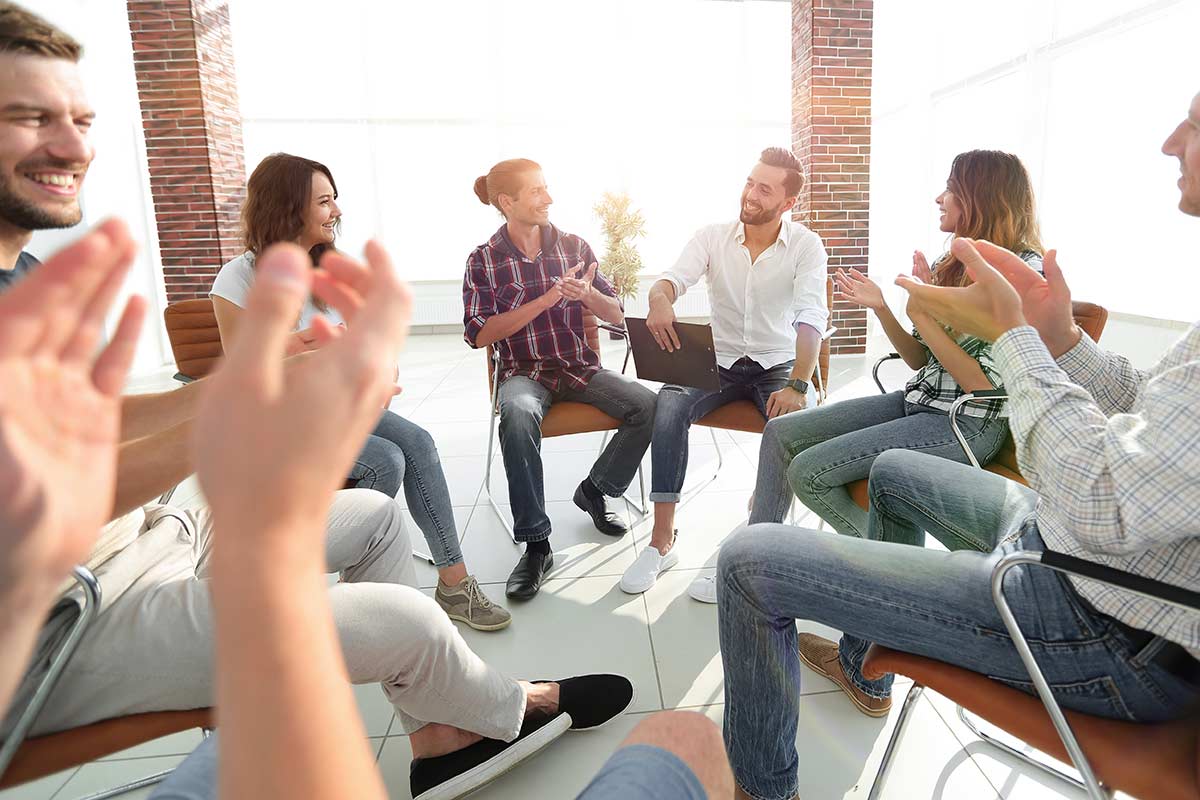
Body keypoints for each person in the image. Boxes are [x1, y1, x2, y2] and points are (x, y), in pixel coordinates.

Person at [0, 10, 634, 799]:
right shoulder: (241, 278)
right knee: (398, 551)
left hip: (159, 533)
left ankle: (438, 728)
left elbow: (90, 426)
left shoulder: (22, 276)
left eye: (81, 119)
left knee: (379, 511)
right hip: (64, 612)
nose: (73, 145)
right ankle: (508, 704)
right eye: (31, 117)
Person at [715, 95, 1200, 800]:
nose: (1171, 141)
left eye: (1197, 122)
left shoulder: (1007, 269)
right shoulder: (964, 265)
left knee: (747, 562)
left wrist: (1010, 333)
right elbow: (1145, 408)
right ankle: (865, 645)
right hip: (1065, 542)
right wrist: (1055, 337)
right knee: (877, 466)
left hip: (1102, 615)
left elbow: (1095, 495)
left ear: (979, 196)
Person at [210, 152, 508, 631]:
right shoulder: (238, 279)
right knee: (384, 460)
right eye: (324, 202)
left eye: (334, 199)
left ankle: (454, 584)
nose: (336, 211)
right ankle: (355, 597)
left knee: (418, 442)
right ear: (286, 208)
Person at [747, 151, 1042, 539]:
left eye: (950, 189)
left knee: (809, 472)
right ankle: (758, 545)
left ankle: (888, 560)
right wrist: (884, 308)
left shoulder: (1022, 272)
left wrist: (924, 312)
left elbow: (981, 387)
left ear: (981, 197)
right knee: (779, 433)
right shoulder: (950, 263)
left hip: (965, 423)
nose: (939, 198)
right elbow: (920, 360)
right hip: (917, 403)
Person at [621, 147, 828, 596]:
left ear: (787, 202)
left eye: (764, 189)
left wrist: (798, 383)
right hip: (719, 359)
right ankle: (662, 541)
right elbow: (672, 279)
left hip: (777, 363)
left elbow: (812, 316)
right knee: (669, 404)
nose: (750, 194)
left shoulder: (806, 246)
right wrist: (659, 300)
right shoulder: (712, 237)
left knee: (792, 423)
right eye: (750, 182)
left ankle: (756, 541)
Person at [464, 158, 656, 600]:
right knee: (516, 414)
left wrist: (588, 294)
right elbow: (479, 334)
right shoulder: (484, 260)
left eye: (546, 188)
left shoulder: (573, 247)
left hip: (578, 367)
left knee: (649, 405)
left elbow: (616, 314)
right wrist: (546, 299)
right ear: (506, 201)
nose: (548, 198)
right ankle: (537, 545)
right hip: (524, 373)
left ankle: (595, 489)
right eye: (536, 191)